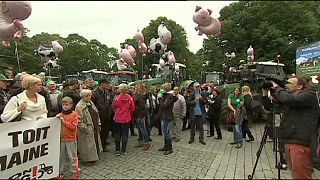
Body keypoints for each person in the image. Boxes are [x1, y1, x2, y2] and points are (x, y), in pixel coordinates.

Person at [272, 76, 320, 179]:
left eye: (289, 83)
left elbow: (288, 99)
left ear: (299, 86)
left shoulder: (309, 95)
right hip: (290, 140)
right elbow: (277, 104)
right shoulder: (294, 96)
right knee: (296, 174)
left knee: (302, 176)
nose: (286, 85)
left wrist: (277, 88)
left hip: (300, 143)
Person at [75, 89, 102, 165]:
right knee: (86, 145)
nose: (88, 97)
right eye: (86, 96)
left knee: (94, 143)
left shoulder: (91, 103)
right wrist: (85, 128)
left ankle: (94, 157)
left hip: (94, 126)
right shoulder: (79, 106)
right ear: (82, 96)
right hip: (87, 128)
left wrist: (99, 124)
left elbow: (97, 113)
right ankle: (87, 160)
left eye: (89, 95)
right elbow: (78, 120)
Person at [56, 97, 81, 179]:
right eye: (63, 104)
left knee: (72, 156)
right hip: (61, 139)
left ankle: (75, 171)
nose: (65, 106)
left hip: (71, 139)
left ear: (71, 105)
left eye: (67, 105)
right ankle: (60, 171)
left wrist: (64, 122)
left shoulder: (74, 115)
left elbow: (73, 127)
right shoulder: (60, 114)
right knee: (61, 156)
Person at [92, 79, 114, 152]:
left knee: (106, 131)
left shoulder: (107, 92)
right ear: (102, 84)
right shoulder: (95, 93)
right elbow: (93, 104)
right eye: (106, 84)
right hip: (100, 115)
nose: (108, 85)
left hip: (107, 115)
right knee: (99, 132)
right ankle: (99, 146)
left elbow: (110, 101)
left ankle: (103, 145)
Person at [113, 83, 135, 155]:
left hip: (118, 118)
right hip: (127, 118)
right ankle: (123, 150)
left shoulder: (117, 98)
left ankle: (117, 150)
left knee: (117, 134)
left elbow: (115, 106)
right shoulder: (130, 98)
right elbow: (133, 108)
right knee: (125, 134)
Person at [157, 83, 178, 155]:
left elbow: (164, 106)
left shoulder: (169, 97)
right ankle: (166, 146)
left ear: (165, 89)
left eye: (162, 88)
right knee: (165, 133)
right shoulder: (166, 95)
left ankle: (170, 149)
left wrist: (159, 98)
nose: (160, 89)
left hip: (167, 117)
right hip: (164, 116)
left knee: (167, 133)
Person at [133, 83, 151, 151]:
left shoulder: (140, 96)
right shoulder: (139, 95)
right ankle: (141, 141)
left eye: (136, 87)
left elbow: (142, 107)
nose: (135, 88)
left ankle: (147, 143)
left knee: (143, 129)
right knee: (140, 129)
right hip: (138, 114)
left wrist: (141, 116)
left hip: (140, 115)